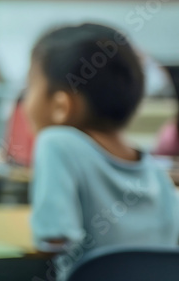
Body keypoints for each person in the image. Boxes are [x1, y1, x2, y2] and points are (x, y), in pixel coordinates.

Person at [25, 23, 179, 278]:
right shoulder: (153, 170)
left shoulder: (56, 142)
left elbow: (52, 235)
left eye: (29, 86)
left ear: (60, 106)